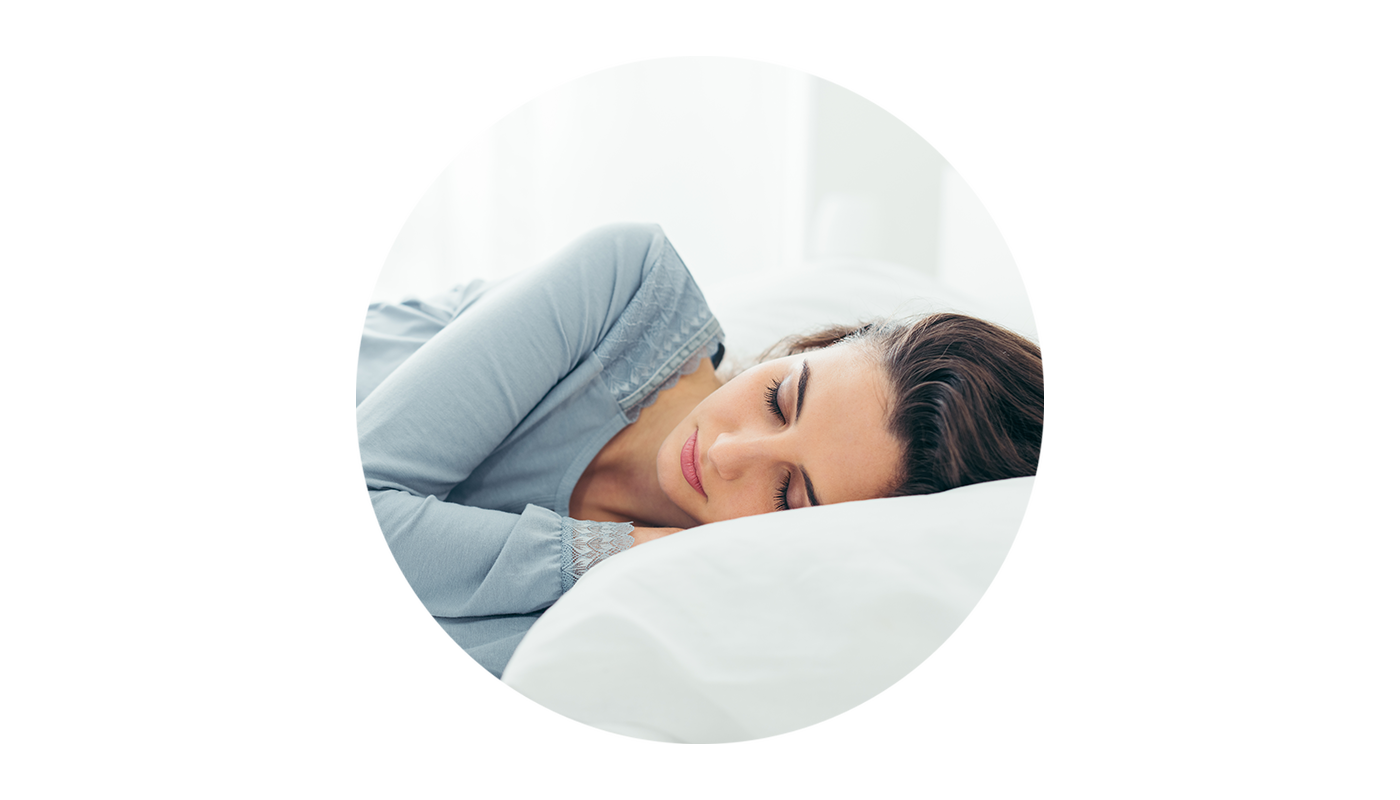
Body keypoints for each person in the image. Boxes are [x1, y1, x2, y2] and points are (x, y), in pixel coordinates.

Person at [353, 223, 1052, 703]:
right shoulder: (625, 290)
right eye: (780, 399)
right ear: (813, 346)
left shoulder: (684, 608)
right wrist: (614, 550)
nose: (726, 453)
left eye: (788, 495)